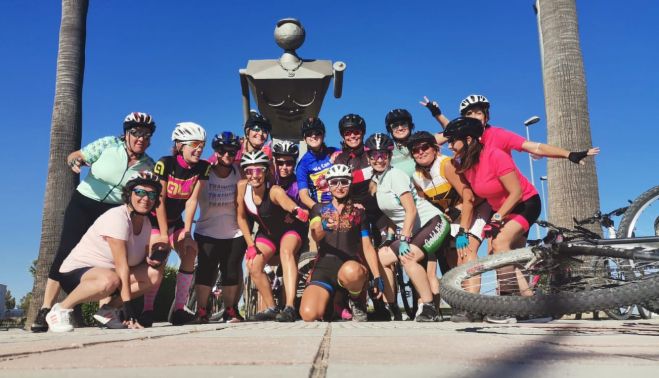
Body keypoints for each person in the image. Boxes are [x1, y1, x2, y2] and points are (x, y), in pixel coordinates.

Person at [31, 112, 156, 333]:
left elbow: (151, 191)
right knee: (65, 251)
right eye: (136, 133)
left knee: (113, 259)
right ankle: (45, 309)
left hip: (113, 211)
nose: (141, 139)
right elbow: (76, 155)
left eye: (146, 135)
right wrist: (75, 161)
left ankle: (106, 312)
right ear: (126, 133)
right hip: (85, 203)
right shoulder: (108, 144)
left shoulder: (148, 164)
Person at [443, 117, 542, 324]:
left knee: (499, 244)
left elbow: (515, 192)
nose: (450, 146)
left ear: (468, 139)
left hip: (525, 204)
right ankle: (534, 305)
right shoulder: (465, 164)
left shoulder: (495, 155)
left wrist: (497, 218)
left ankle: (507, 306)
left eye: (453, 141)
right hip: (503, 210)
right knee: (509, 257)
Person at [46, 171, 163, 332]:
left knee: (153, 275)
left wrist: (152, 258)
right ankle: (60, 310)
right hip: (76, 273)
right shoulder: (118, 218)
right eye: (140, 192)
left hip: (110, 274)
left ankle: (108, 311)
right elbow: (122, 265)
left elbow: (137, 262)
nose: (146, 198)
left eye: (152, 194)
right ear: (129, 194)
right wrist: (129, 310)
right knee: (110, 280)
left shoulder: (147, 223)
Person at [366, 133, 451, 322]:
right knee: (382, 257)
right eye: (374, 155)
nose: (379, 159)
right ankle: (392, 307)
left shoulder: (395, 175)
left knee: (408, 257)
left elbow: (411, 210)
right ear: (369, 157)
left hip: (433, 222)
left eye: (383, 155)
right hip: (413, 231)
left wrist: (403, 239)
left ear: (389, 156)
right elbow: (393, 215)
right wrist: (390, 238)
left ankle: (429, 308)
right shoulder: (378, 181)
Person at [407, 131, 484, 322]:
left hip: (477, 207)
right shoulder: (417, 176)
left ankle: (474, 306)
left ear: (436, 148)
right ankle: (461, 304)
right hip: (453, 218)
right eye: (415, 150)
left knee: (465, 252)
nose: (420, 152)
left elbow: (469, 197)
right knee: (451, 257)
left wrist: (463, 229)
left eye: (425, 147)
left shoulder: (446, 165)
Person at [141, 122, 211, 326]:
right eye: (194, 144)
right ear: (180, 145)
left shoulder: (203, 167)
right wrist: (163, 234)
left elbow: (191, 201)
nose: (199, 149)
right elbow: (159, 199)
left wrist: (187, 232)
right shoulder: (165, 163)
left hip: (177, 222)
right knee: (159, 255)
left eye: (202, 145)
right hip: (155, 220)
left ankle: (179, 310)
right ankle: (147, 310)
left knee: (190, 250)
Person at [299, 164, 384, 322]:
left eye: (344, 182)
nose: (339, 187)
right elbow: (315, 234)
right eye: (334, 182)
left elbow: (367, 246)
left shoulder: (359, 212)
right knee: (308, 314)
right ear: (328, 186)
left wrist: (377, 276)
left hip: (349, 267)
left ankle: (356, 301)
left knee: (351, 271)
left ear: (350, 183)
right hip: (323, 268)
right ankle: (334, 304)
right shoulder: (318, 209)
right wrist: (324, 226)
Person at [236, 151, 309, 322]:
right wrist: (250, 245)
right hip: (267, 234)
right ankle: (271, 307)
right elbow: (241, 217)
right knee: (253, 265)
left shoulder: (274, 189)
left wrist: (297, 211)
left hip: (290, 230)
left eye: (259, 170)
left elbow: (286, 202)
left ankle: (290, 306)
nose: (254, 175)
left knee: (286, 251)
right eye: (249, 171)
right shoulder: (242, 187)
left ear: (267, 171)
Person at [421, 94, 600, 164]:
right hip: (477, 195)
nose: (474, 117)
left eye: (478, 113)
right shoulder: (460, 138)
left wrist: (569, 154)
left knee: (499, 245)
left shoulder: (499, 135)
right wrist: (436, 113)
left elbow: (535, 147)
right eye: (469, 114)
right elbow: (432, 140)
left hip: (507, 197)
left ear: (486, 116)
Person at [192, 132, 246, 323]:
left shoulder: (238, 172)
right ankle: (202, 310)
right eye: (222, 151)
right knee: (205, 271)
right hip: (206, 230)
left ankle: (230, 310)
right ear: (216, 151)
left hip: (234, 232)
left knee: (231, 271)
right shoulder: (205, 172)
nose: (227, 155)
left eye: (232, 152)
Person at [296, 117, 337, 209]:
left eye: (317, 133)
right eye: (309, 133)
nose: (313, 136)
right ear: (304, 138)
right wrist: (319, 210)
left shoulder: (335, 151)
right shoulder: (303, 164)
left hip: (341, 203)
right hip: (321, 206)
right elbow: (303, 196)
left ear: (323, 135)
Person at [385, 108, 416, 177]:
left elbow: (445, 134)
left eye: (403, 124)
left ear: (410, 126)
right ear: (390, 130)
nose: (400, 128)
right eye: (395, 126)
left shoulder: (422, 140)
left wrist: (437, 114)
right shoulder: (386, 149)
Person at [272, 140, 303, 206]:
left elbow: (305, 212)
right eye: (280, 163)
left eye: (289, 163)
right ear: (274, 163)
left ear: (295, 164)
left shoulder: (298, 187)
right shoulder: (268, 179)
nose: (284, 167)